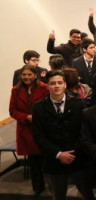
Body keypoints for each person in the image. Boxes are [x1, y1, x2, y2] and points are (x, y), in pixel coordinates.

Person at [32, 70, 95, 200]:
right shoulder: (39, 107)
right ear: (48, 86)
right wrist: (58, 154)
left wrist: (73, 152)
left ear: (65, 84)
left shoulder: (78, 104)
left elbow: (85, 131)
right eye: (53, 83)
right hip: (53, 160)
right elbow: (38, 136)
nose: (56, 86)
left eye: (60, 82)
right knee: (58, 195)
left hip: (77, 158)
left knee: (88, 194)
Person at [9, 65, 49, 198]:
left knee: (47, 159)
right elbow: (12, 111)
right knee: (34, 161)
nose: (26, 77)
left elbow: (49, 106)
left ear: (35, 75)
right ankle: (38, 188)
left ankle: (52, 186)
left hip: (44, 128)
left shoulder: (44, 87)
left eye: (29, 74)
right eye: (24, 75)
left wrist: (38, 117)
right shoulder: (15, 90)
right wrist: (26, 117)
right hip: (26, 130)